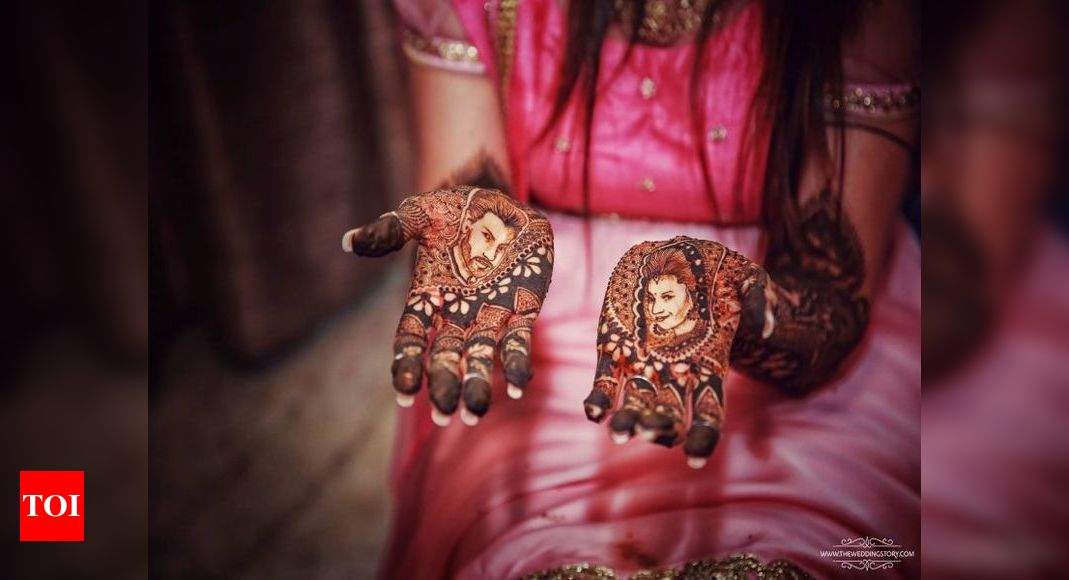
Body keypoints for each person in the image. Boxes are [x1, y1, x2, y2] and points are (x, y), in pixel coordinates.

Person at [354, 0, 920, 576]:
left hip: (773, 319)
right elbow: (471, 195)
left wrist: (731, 310)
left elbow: (829, 292)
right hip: (545, 327)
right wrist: (477, 265)